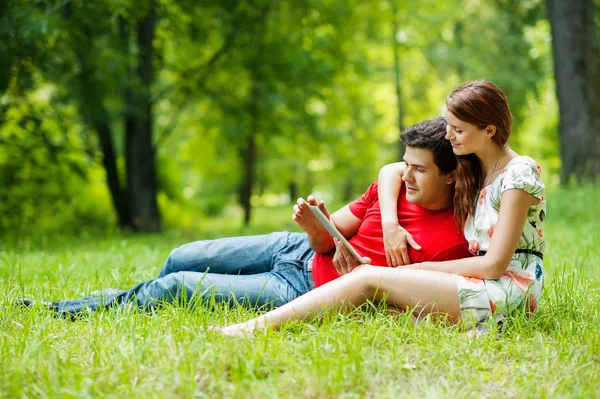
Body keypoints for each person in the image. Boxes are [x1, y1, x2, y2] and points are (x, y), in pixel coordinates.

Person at [19, 117, 470, 316]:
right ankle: (133, 300)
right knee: (179, 257)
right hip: (294, 250)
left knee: (173, 287)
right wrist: (316, 223)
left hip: (300, 288)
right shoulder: (392, 188)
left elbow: (407, 300)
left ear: (450, 177)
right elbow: (329, 241)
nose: (406, 174)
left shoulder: (452, 239)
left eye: (419, 169)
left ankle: (77, 309)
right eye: (405, 164)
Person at [214, 80, 545, 336]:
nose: (449, 136)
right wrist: (390, 222)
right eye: (449, 125)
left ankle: (249, 330)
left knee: (372, 278)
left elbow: (493, 264)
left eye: (458, 130)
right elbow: (395, 169)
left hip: (507, 289)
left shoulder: (518, 172)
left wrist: (413, 270)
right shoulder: (476, 170)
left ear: (489, 131)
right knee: (384, 292)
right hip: (483, 284)